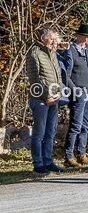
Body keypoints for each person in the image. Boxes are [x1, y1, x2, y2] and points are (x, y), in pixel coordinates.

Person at [26, 27, 65, 176]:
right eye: (52, 38)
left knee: (51, 132)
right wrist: (46, 96)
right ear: (43, 38)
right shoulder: (34, 53)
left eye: (56, 38)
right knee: (39, 133)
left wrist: (59, 92)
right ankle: (38, 163)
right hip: (40, 99)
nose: (55, 41)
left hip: (54, 99)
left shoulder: (53, 54)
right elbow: (34, 79)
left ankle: (48, 161)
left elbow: (58, 77)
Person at [59, 22, 88, 169]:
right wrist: (75, 90)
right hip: (79, 93)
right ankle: (69, 156)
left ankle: (81, 153)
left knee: (86, 125)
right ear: (83, 37)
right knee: (75, 125)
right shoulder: (70, 51)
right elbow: (66, 76)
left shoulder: (87, 51)